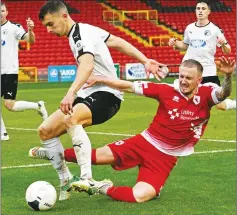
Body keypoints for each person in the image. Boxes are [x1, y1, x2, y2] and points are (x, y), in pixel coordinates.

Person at [29, 56, 235, 203]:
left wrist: (227, 77)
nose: (183, 81)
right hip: (143, 143)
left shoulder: (207, 95)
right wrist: (101, 80)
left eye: (188, 78)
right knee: (95, 157)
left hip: (165, 158)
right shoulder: (165, 90)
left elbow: (224, 93)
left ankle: (99, 187)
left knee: (141, 195)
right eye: (181, 76)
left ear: (200, 80)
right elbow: (128, 86)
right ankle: (51, 153)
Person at [28, 0, 166, 201]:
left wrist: (70, 93)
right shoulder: (85, 30)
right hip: (90, 93)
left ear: (64, 16)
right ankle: (66, 180)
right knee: (45, 130)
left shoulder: (80, 34)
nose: (49, 30)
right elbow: (117, 41)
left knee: (71, 119)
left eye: (51, 24)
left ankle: (87, 179)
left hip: (108, 94)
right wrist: (145, 60)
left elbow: (87, 65)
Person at [168, 0, 236, 111]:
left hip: (207, 70)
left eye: (203, 9)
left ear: (209, 11)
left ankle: (234, 104)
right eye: (198, 8)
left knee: (219, 104)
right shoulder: (189, 28)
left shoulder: (214, 30)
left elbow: (227, 50)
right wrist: (175, 43)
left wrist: (223, 44)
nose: (200, 11)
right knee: (184, 98)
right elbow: (185, 45)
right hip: (190, 69)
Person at [1, 2, 48, 141]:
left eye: (2, 10)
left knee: (10, 105)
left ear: (7, 12)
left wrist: (30, 30)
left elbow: (30, 40)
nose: (0, 13)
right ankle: (3, 134)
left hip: (9, 72)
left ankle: (38, 106)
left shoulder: (14, 28)